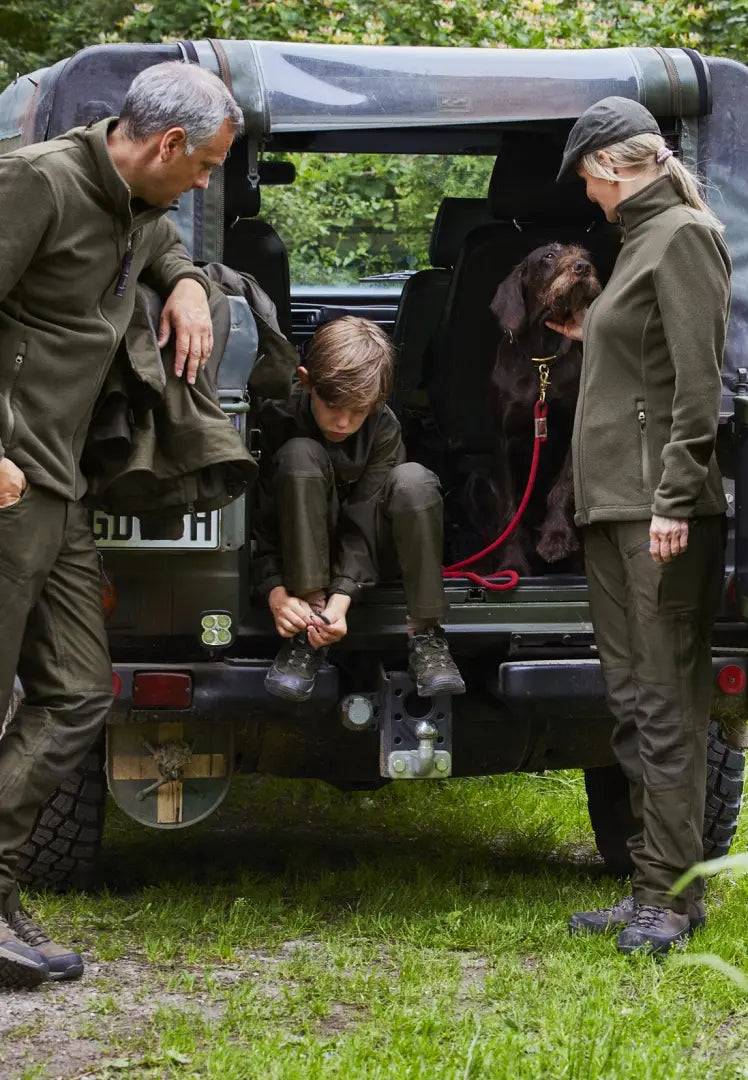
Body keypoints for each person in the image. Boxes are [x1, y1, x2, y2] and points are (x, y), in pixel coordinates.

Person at [0, 61, 242, 989]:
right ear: (169, 143)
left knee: (75, 694)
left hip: (58, 487)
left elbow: (159, 236)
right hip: (8, 480)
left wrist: (185, 280)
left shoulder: (136, 201)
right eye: (206, 165)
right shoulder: (39, 183)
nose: (205, 183)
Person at [546, 97, 732, 955]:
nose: (587, 195)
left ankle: (671, 900)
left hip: (658, 514)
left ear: (610, 166)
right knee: (629, 700)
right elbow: (643, 361)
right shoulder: (637, 243)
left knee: (664, 704)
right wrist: (591, 333)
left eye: (586, 179)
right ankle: (651, 884)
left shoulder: (683, 236)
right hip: (613, 507)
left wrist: (675, 497)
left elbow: (698, 383)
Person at [254, 316, 465, 703]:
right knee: (300, 455)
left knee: (414, 481)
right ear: (306, 380)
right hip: (297, 560)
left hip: (368, 554)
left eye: (359, 410)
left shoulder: (384, 426)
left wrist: (341, 599)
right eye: (333, 405)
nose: (344, 421)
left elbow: (365, 520)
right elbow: (261, 521)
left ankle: (426, 635)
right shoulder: (278, 417)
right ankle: (309, 630)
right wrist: (276, 592)